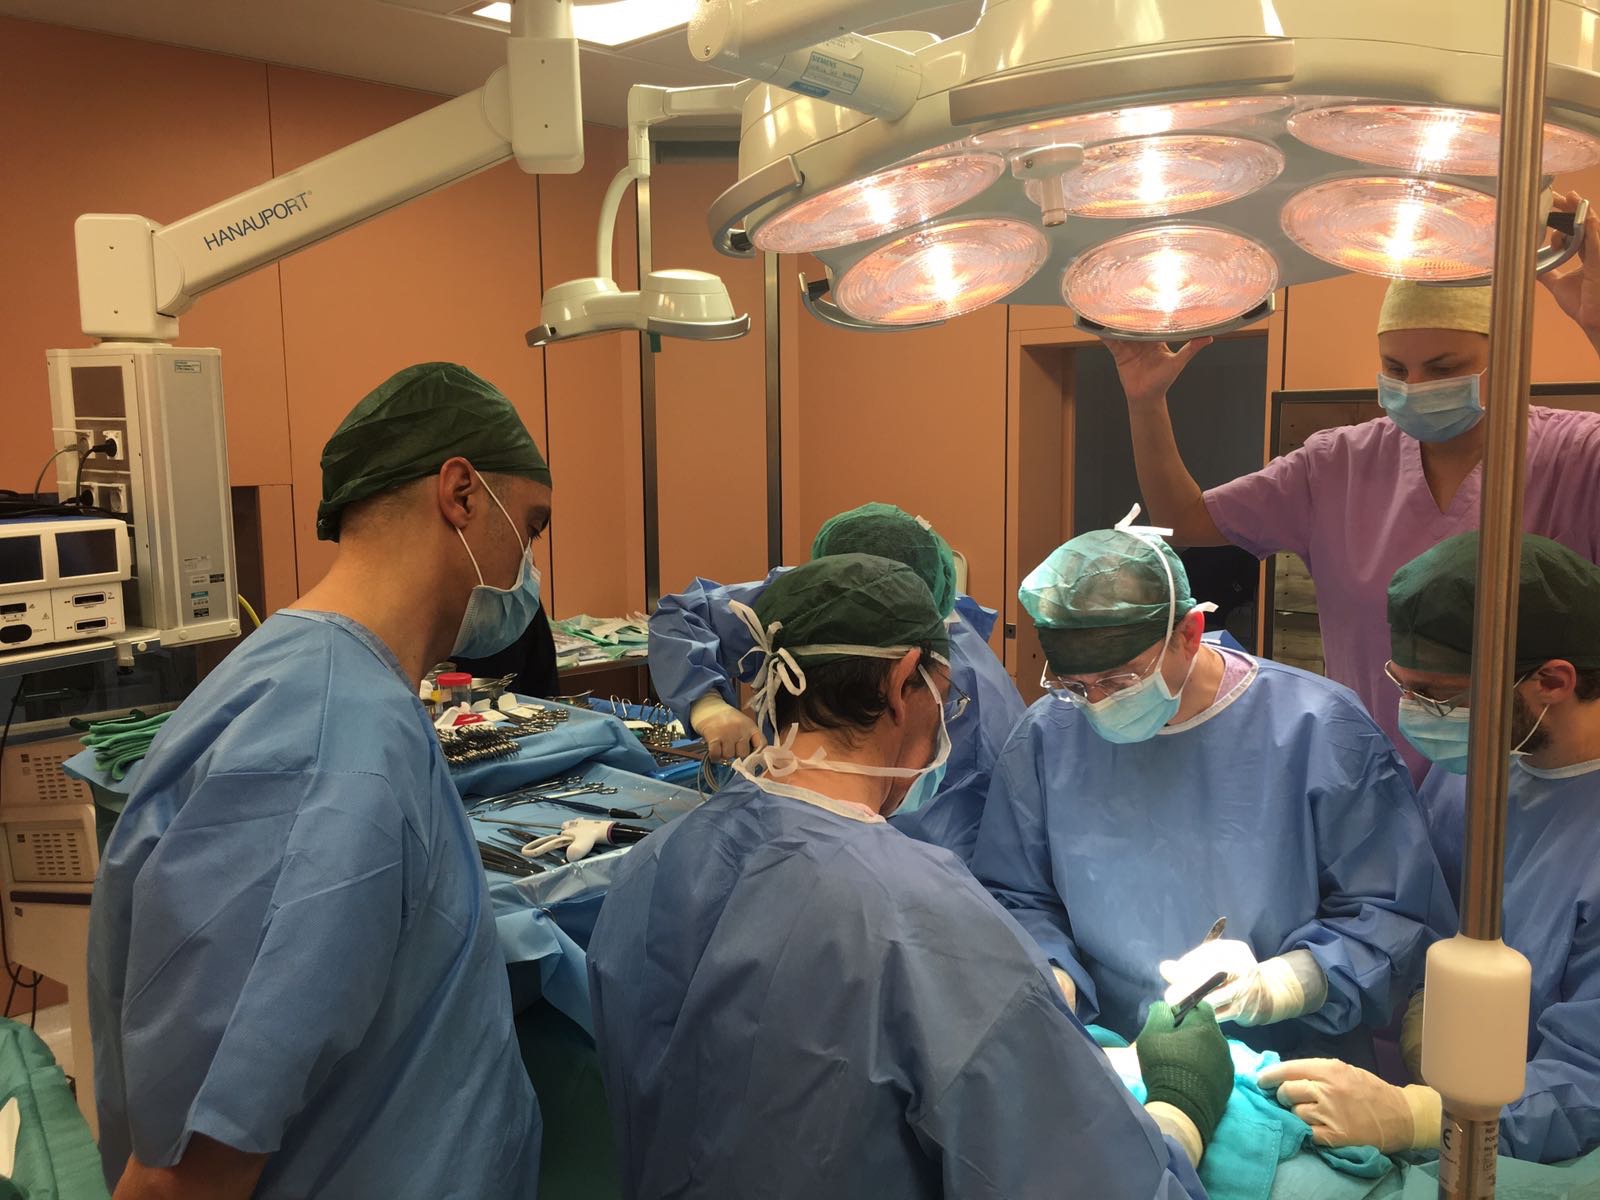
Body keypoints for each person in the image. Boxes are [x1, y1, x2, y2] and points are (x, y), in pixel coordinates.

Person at [589, 552, 1232, 1199]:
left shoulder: (650, 866)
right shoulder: (927, 923)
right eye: (946, 698)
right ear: (903, 684)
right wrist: (1178, 1114)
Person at [88, 362, 546, 1198]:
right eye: (531, 526)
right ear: (461, 495)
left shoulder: (315, 684)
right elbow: (183, 1176)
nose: (527, 565)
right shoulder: (330, 743)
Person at [1105, 207, 1600, 782]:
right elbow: (1183, 519)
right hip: (1371, 776)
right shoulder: (1337, 463)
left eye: (1444, 368)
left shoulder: (1577, 455)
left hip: (1537, 781)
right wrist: (1145, 403)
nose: (1415, 386)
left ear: (1507, 354)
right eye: (1396, 368)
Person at [972, 513, 1453, 1066]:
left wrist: (1281, 985)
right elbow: (1017, 896)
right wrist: (1052, 975)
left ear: (1189, 634)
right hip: (1110, 1056)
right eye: (1075, 686)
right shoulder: (1048, 734)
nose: (1097, 702)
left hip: (1286, 1063)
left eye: (1120, 680)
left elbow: (1389, 914)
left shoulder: (1319, 729)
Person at [1262, 532, 1600, 1164]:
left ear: (1553, 680)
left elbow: (1590, 1079)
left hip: (1546, 1148)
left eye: (1440, 696)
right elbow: (1412, 912)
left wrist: (1421, 1117)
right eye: (1405, 686)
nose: (1414, 712)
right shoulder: (1479, 762)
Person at [648, 501, 1024, 861]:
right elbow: (686, 616)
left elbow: (971, 842)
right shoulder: (813, 604)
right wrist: (706, 703)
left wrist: (883, 868)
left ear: (903, 679)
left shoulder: (966, 693)